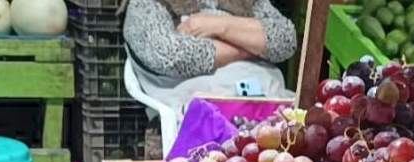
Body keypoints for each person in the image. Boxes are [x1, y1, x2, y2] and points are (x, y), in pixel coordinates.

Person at [123, 0, 298, 116]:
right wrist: (250, 44)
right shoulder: (145, 4)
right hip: (204, 117)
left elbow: (285, 39)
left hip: (271, 106)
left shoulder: (247, 2)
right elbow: (170, 55)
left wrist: (218, 26)